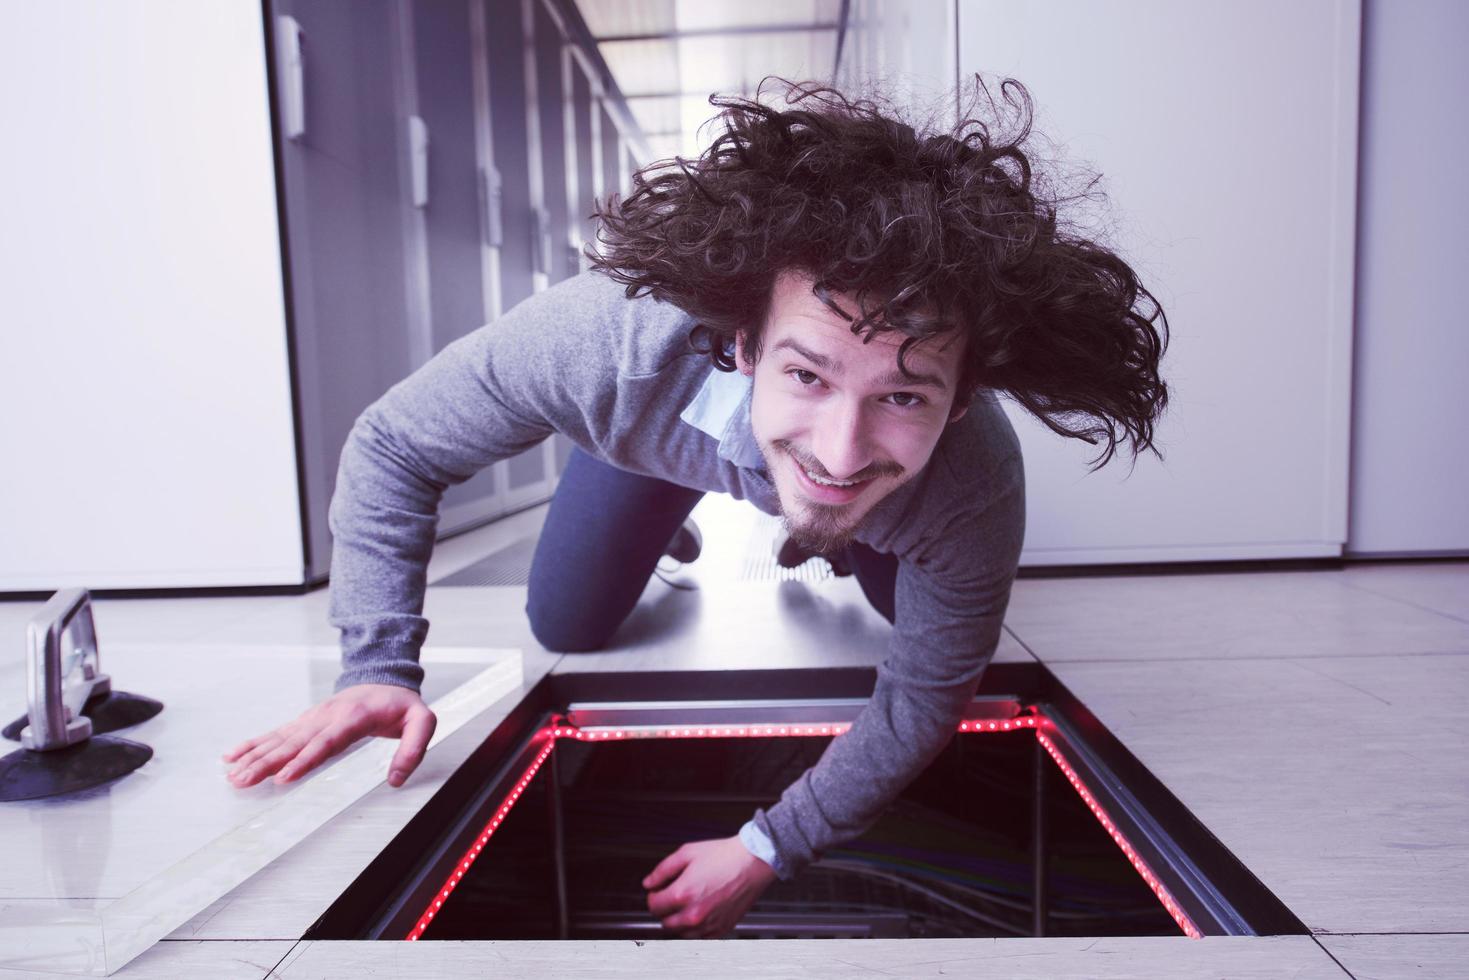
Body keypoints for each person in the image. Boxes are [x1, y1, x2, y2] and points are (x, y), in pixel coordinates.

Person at [223, 78, 1169, 939]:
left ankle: (816, 535)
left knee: (899, 607)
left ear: (960, 401)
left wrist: (768, 845)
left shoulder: (971, 480)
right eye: (807, 373)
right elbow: (394, 444)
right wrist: (376, 662)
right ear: (744, 347)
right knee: (569, 622)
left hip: (890, 509)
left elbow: (922, 696)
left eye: (904, 395)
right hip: (655, 447)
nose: (842, 447)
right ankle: (684, 516)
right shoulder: (601, 345)